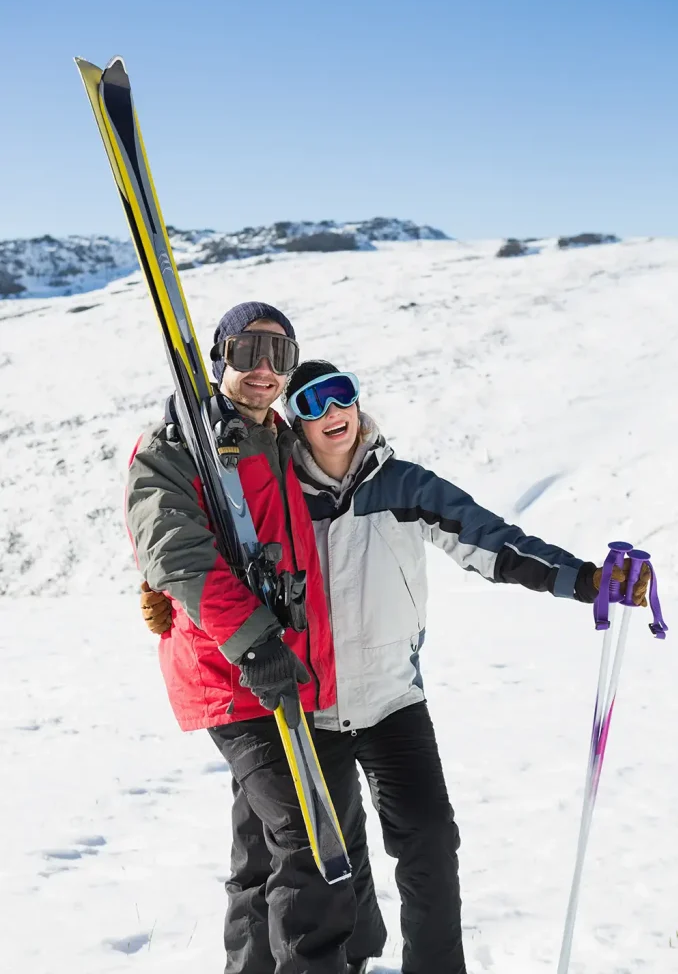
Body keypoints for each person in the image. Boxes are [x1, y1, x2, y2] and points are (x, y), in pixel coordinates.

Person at [142, 357, 651, 974]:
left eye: (342, 397)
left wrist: (589, 579)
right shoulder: (276, 496)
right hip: (311, 706)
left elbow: (494, 542)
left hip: (391, 701)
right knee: (325, 864)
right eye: (312, 404)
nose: (333, 413)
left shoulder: (402, 486)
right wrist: (157, 594)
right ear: (293, 424)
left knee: (430, 841)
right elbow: (202, 549)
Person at [127, 303, 387, 974]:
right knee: (307, 838)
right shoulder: (175, 446)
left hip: (291, 673)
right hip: (234, 672)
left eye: (279, 354)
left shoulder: (282, 441)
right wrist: (253, 642)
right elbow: (177, 555)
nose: (264, 370)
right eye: (247, 353)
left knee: (264, 848)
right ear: (220, 359)